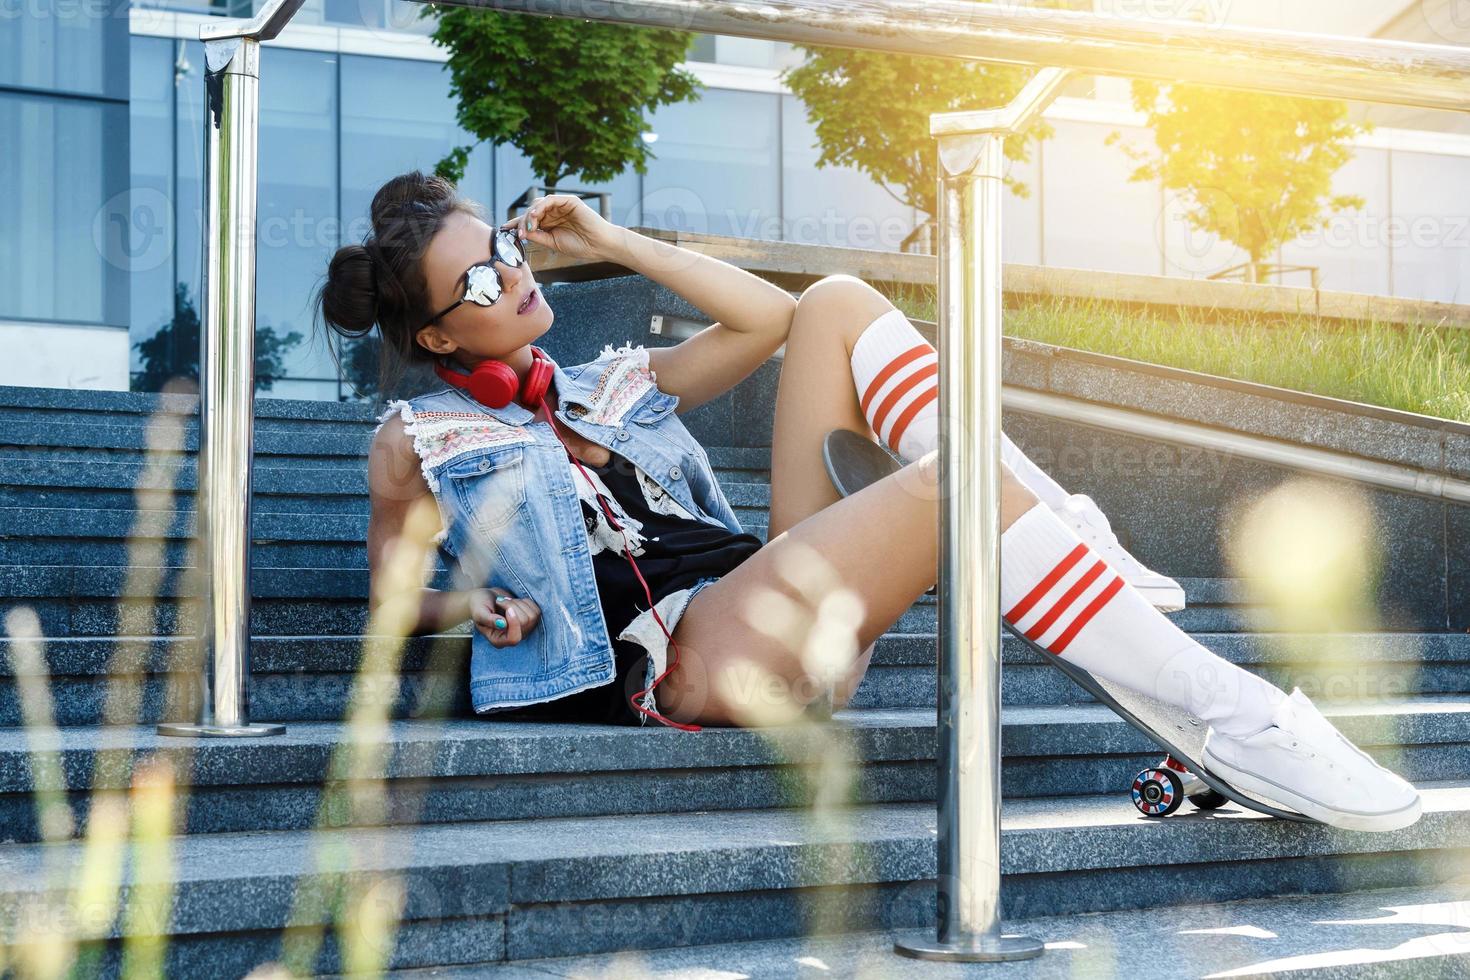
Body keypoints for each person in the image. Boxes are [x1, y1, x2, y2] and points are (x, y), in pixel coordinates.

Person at [315, 170, 1420, 833]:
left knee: (839, 301)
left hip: (758, 586)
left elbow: (765, 319)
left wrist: (611, 241)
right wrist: (478, 613)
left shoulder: (604, 386)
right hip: (689, 655)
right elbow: (392, 597)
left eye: (504, 248)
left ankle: (1052, 533)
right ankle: (1217, 701)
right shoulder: (417, 440)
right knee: (956, 491)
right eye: (477, 282)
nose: (512, 276)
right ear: (436, 336)